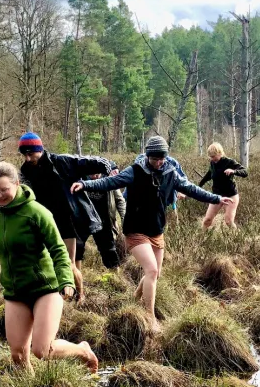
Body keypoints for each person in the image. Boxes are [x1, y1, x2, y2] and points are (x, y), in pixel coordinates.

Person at [70, 136, 232, 331]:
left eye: (162, 158)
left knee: (155, 273)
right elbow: (110, 182)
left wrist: (216, 198)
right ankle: (150, 318)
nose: (159, 162)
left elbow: (191, 189)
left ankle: (134, 300)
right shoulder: (135, 171)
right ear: (148, 156)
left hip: (156, 231)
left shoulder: (171, 172)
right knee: (152, 270)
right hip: (135, 230)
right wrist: (86, 185)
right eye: (155, 158)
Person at [0, 162, 98, 373]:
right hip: (15, 292)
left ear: (16, 184)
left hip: (46, 289)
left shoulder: (37, 213)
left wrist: (67, 281)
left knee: (42, 350)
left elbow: (58, 250)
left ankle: (83, 351)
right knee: (18, 354)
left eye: (4, 190)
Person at [18, 132, 115, 304]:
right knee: (53, 261)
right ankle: (64, 292)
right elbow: (25, 193)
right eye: (24, 154)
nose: (27, 158)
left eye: (30, 153)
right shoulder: (26, 171)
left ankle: (80, 296)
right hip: (46, 221)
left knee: (69, 262)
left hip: (69, 220)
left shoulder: (62, 161)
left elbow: (97, 162)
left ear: (39, 150)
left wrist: (110, 170)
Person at [76, 168, 126, 270]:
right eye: (92, 174)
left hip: (104, 220)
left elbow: (120, 201)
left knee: (109, 249)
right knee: (77, 247)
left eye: (97, 174)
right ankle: (76, 273)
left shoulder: (109, 180)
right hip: (84, 220)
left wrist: (124, 218)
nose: (95, 176)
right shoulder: (81, 180)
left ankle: (115, 274)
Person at [130, 151, 188, 224]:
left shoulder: (171, 162)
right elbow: (132, 181)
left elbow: (182, 178)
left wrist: (182, 191)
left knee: (171, 225)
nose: (157, 163)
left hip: (169, 201)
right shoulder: (140, 161)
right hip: (145, 203)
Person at [199, 142, 247, 229]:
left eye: (213, 156)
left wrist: (234, 171)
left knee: (228, 221)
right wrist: (199, 186)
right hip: (217, 196)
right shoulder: (212, 163)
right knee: (207, 220)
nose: (212, 159)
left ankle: (237, 238)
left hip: (231, 195)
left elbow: (245, 172)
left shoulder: (229, 162)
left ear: (220, 153)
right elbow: (209, 175)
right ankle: (201, 239)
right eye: (210, 157)